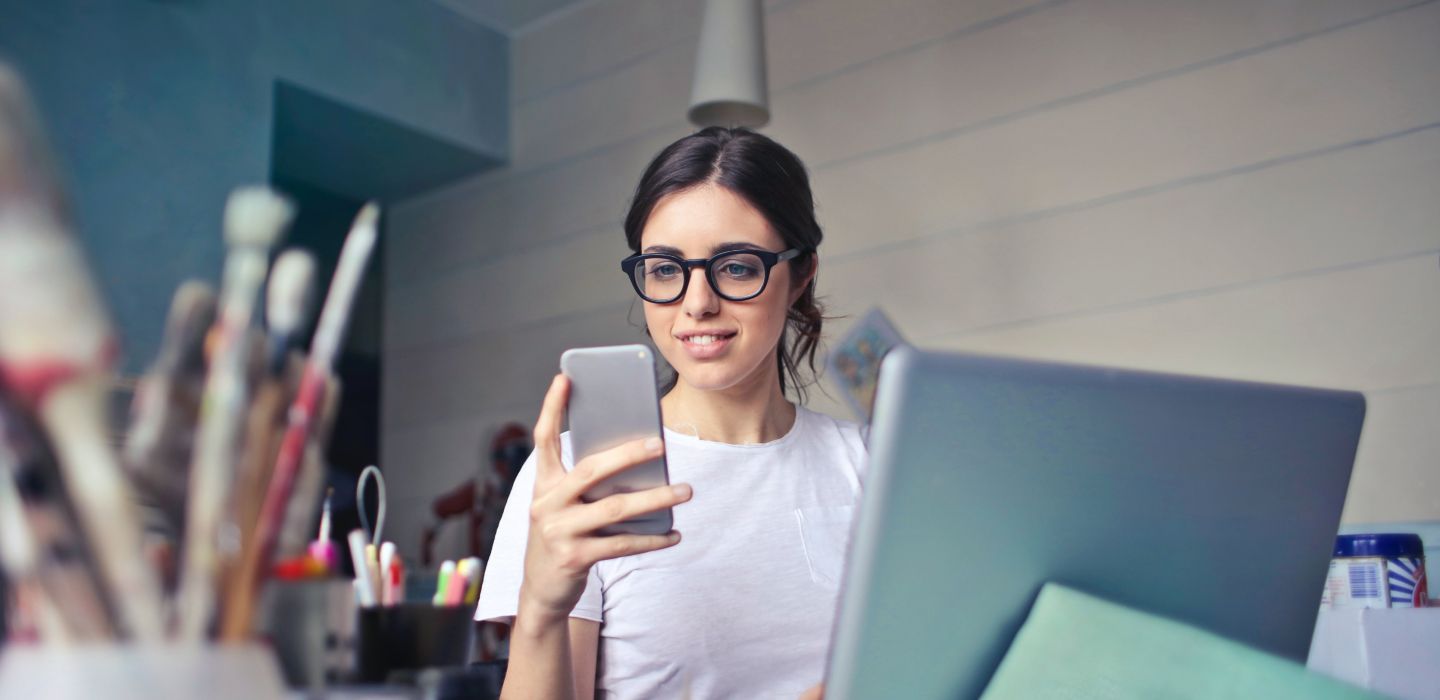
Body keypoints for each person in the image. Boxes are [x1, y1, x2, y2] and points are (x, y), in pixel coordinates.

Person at [475, 127, 867, 699]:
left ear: (801, 274)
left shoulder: (872, 464)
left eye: (737, 267)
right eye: (664, 269)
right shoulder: (578, 474)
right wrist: (540, 608)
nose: (697, 303)